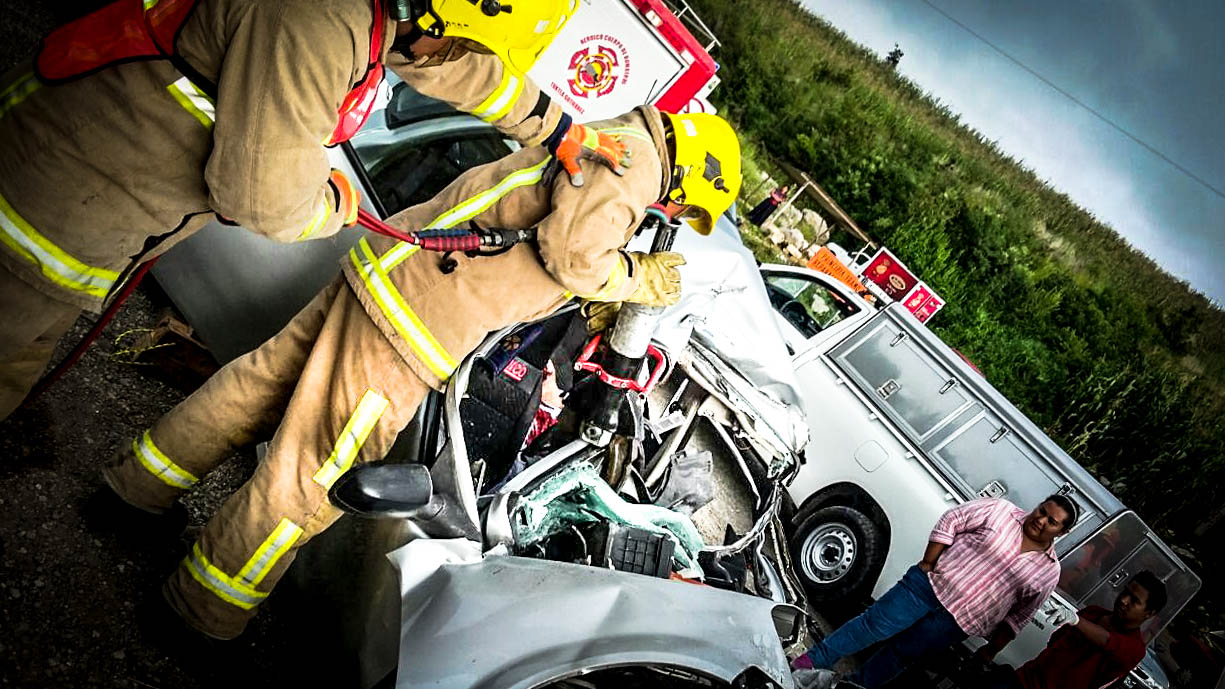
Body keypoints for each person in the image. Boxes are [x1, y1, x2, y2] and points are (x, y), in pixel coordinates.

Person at [95, 106, 741, 643]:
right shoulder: (637, 167)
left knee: (259, 384)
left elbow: (536, 237)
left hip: (391, 271)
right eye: (685, 210)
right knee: (318, 472)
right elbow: (571, 253)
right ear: (693, 176)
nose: (673, 215)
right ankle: (201, 608)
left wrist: (589, 289)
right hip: (412, 321)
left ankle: (134, 489)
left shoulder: (614, 136)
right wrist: (632, 275)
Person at [0, 0, 630, 420]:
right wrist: (330, 205)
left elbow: (468, 73)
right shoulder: (319, 20)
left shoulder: (381, 15)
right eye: (455, 40)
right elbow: (261, 199)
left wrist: (557, 129)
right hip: (48, 199)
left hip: (87, 207)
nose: (446, 53)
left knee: (20, 360)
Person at [792, 495, 1076, 689]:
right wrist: (929, 562)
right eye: (1042, 511)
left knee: (900, 655)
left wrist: (991, 651)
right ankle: (809, 662)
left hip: (956, 623)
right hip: (927, 587)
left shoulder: (1048, 571)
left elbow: (1020, 616)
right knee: (872, 626)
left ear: (1061, 532)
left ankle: (851, 687)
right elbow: (953, 519)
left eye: (1052, 521)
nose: (1041, 520)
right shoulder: (1000, 511)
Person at [977, 571, 1166, 689]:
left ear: (1149, 613)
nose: (1124, 600)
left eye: (1135, 601)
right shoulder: (1093, 612)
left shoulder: (1135, 648)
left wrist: (1076, 621)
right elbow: (1055, 640)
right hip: (1024, 679)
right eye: (1125, 592)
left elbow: (1108, 641)